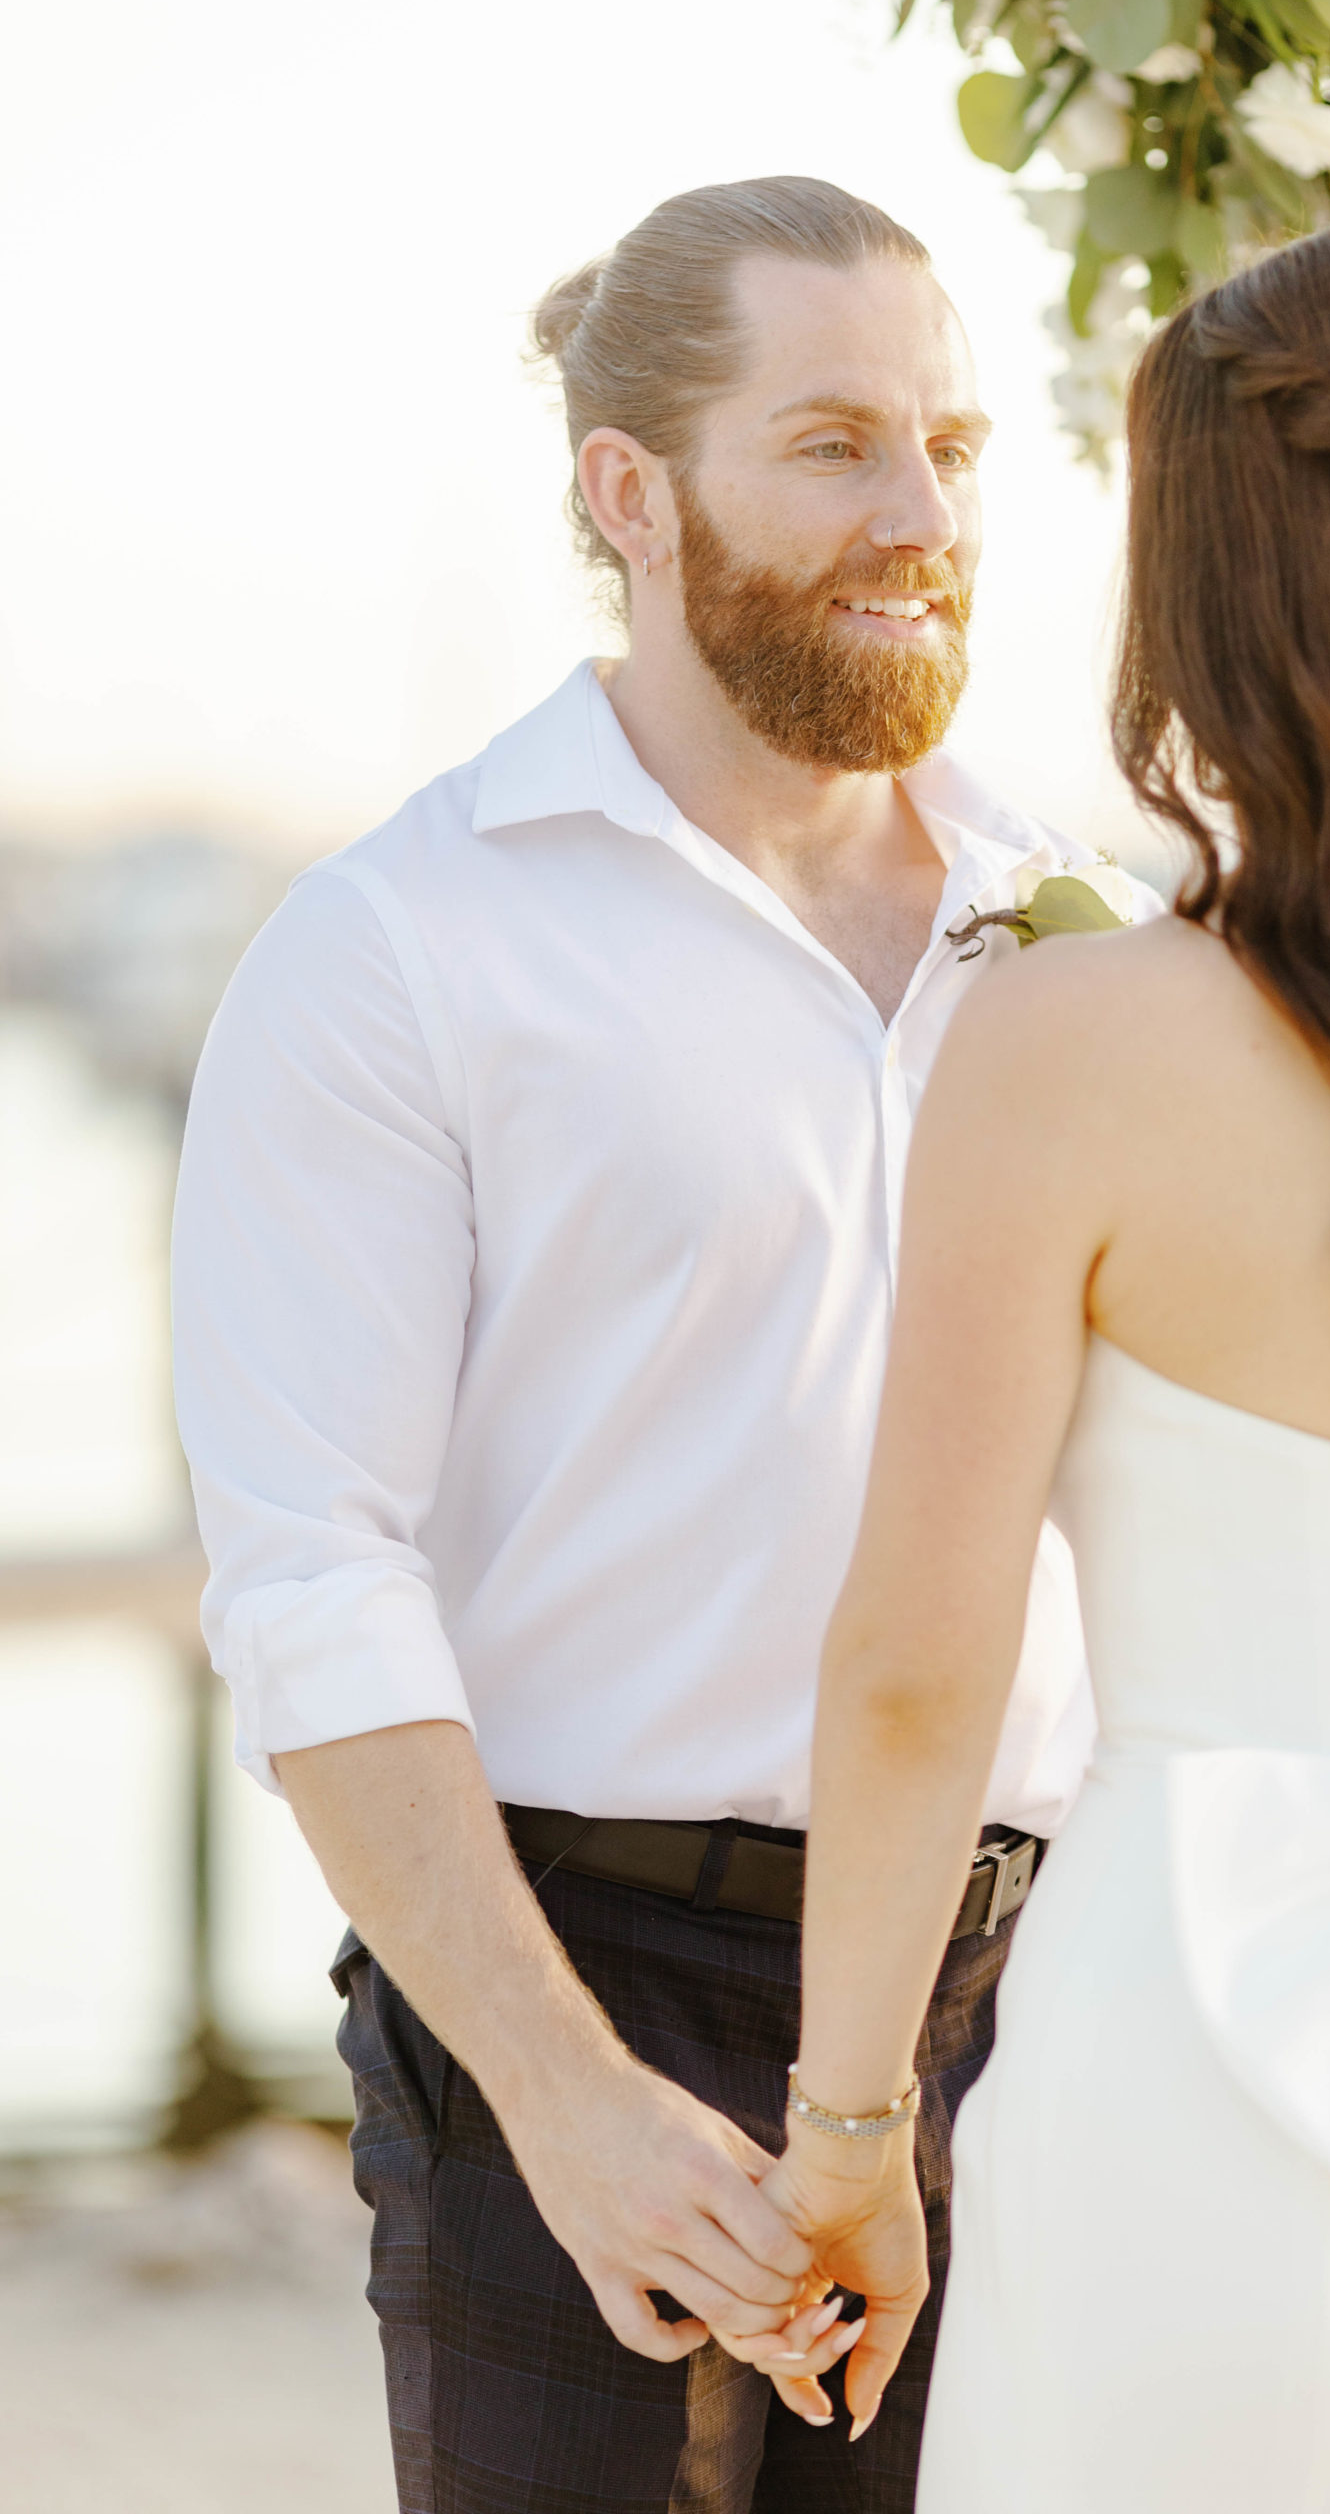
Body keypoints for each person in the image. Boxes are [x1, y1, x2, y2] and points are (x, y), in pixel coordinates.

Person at [171, 176, 1154, 2513]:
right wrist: (558, 2085)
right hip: (583, 1977)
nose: (918, 513)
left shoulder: (1092, 919)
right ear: (627, 490)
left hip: (1056, 1996)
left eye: (953, 442)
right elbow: (314, 1576)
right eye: (830, 441)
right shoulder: (398, 947)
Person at [756, 218, 1330, 2510]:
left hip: (1208, 2040)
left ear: (1205, 589)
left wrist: (851, 2133)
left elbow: (913, 1662)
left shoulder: (1067, 1045)